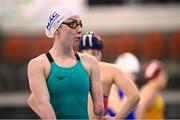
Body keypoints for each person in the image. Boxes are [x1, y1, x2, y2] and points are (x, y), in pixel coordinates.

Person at [27, 8, 104, 119]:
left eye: (80, 24)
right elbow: (42, 104)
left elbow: (99, 110)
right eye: (73, 24)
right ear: (57, 28)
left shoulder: (91, 62)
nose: (79, 29)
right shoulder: (38, 65)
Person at [78, 32, 140, 119]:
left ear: (79, 52)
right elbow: (135, 96)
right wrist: (117, 118)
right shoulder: (111, 70)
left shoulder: (68, 69)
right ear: (99, 53)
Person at [107, 52, 141, 120]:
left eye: (136, 74)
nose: (135, 78)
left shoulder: (130, 90)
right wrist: (132, 93)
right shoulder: (111, 88)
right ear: (122, 72)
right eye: (133, 74)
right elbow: (118, 110)